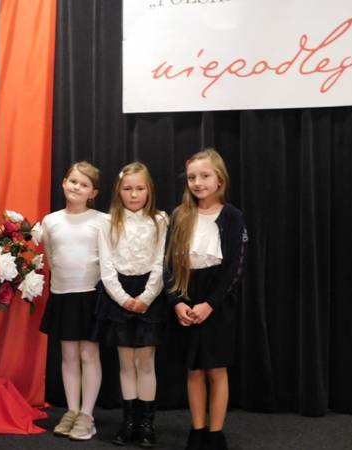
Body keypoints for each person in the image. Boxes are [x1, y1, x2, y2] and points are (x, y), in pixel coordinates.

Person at [164, 149, 247, 450]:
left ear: (219, 179)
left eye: (205, 176)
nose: (198, 182)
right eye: (192, 177)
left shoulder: (232, 216)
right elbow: (168, 264)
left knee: (216, 369)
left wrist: (210, 304)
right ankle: (197, 429)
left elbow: (235, 266)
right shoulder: (180, 215)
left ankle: (215, 433)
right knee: (194, 369)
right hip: (187, 293)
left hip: (217, 299)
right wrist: (176, 301)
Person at [94, 162, 168, 448]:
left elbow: (162, 262)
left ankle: (147, 424)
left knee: (145, 362)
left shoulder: (160, 220)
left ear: (149, 190)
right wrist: (123, 298)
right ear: (118, 191)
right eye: (127, 189)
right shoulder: (108, 222)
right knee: (126, 362)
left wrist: (147, 297)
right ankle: (129, 423)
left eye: (140, 188)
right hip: (119, 293)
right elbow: (106, 265)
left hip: (150, 292)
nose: (134, 195)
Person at [36, 161, 104, 441]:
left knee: (89, 355)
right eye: (73, 181)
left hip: (90, 295)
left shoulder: (102, 220)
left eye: (84, 185)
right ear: (64, 183)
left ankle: (87, 415)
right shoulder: (50, 221)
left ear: (93, 193)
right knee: (68, 356)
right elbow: (51, 258)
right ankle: (72, 410)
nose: (77, 187)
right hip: (62, 294)